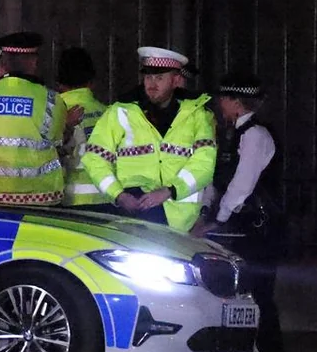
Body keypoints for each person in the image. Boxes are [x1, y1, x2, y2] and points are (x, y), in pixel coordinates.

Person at [191, 72, 286, 352]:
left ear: (234, 101)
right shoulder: (230, 134)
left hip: (257, 231)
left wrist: (217, 218)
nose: (219, 104)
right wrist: (207, 211)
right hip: (234, 229)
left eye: (223, 98)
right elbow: (215, 179)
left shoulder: (256, 135)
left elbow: (242, 185)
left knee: (259, 299)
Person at [80, 47, 216, 231]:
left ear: (176, 80)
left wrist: (169, 191)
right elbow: (94, 157)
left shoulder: (196, 115)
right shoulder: (121, 111)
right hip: (133, 210)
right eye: (148, 77)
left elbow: (205, 161)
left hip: (181, 218)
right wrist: (119, 195)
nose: (152, 83)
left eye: (160, 78)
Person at [0, 32, 67, 205]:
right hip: (39, 198)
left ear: (3, 62)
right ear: (33, 62)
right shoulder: (52, 99)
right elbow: (58, 139)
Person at [57, 47, 110, 207]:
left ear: (59, 83)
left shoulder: (53, 113)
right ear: (92, 82)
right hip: (106, 199)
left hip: (68, 202)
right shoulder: (108, 113)